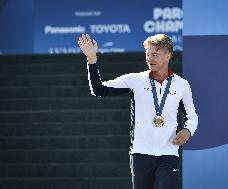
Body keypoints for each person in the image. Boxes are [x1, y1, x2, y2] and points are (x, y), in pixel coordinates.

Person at [78, 33, 198, 189]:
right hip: (141, 155)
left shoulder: (181, 85)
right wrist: (91, 59)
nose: (149, 58)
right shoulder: (135, 80)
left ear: (168, 56)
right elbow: (99, 90)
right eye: (147, 54)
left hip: (169, 154)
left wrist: (188, 131)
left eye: (154, 54)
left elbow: (192, 116)